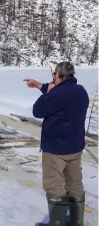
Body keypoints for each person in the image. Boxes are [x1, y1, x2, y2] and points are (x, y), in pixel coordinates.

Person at [24, 61, 89, 226]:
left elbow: (37, 111)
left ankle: (57, 223)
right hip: (75, 149)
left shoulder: (55, 95)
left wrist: (47, 93)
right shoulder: (81, 91)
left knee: (54, 187)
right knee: (75, 185)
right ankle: (76, 222)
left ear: (57, 75)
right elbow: (61, 95)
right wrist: (40, 85)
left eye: (54, 76)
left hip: (55, 151)